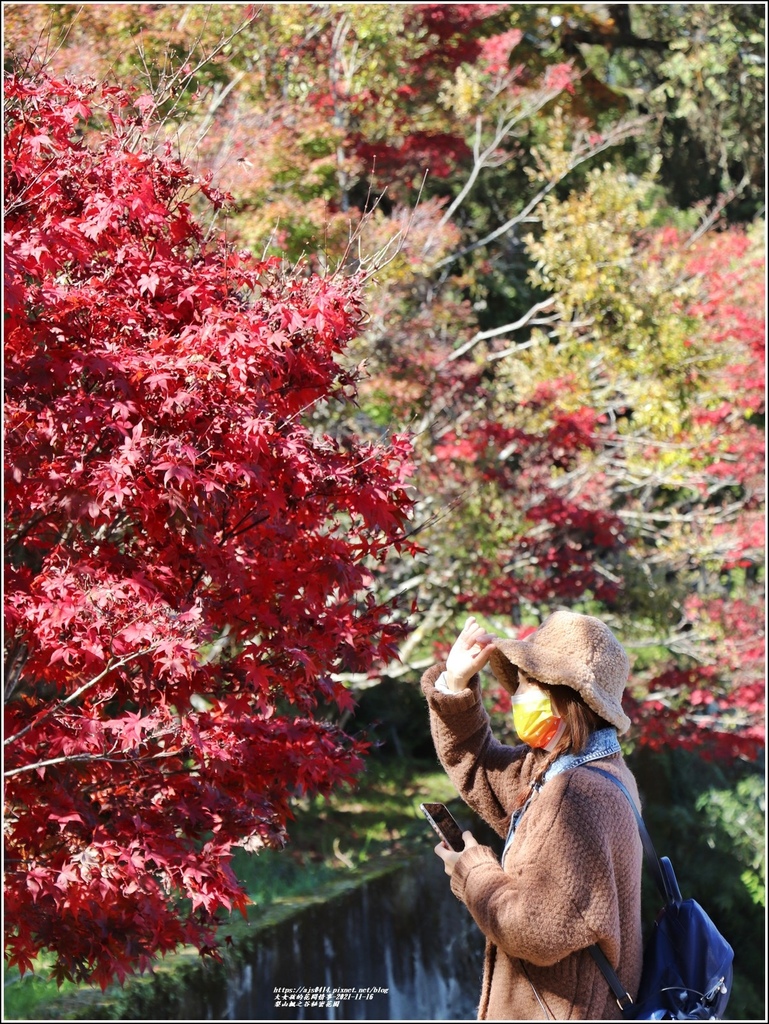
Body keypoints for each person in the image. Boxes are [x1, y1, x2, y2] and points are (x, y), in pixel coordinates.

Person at [421, 610, 644, 1021]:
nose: (517, 694)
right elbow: (481, 766)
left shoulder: (580, 796)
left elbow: (532, 928)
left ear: (564, 694)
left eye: (527, 682)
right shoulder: (579, 768)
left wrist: (470, 870)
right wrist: (454, 684)